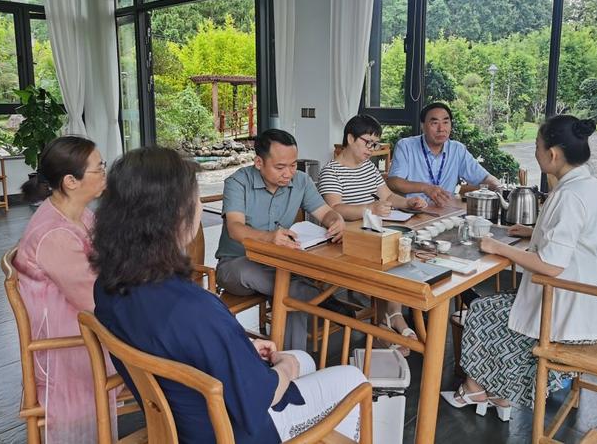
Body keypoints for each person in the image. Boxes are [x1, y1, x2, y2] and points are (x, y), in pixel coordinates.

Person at [91, 146, 367, 444]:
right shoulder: (195, 308)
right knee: (353, 380)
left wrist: (244, 345)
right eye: (195, 198)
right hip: (232, 431)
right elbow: (261, 396)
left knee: (304, 359)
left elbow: (188, 344)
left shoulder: (108, 285)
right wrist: (285, 368)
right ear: (176, 218)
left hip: (180, 418)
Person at [441, 115, 597, 421]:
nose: (536, 154)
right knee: (498, 307)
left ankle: (480, 389)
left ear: (553, 154)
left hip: (573, 311)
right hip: (590, 299)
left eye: (538, 148)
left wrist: (497, 247)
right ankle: (496, 393)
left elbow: (552, 265)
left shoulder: (570, 196)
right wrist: (534, 233)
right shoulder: (588, 185)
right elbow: (579, 238)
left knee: (483, 312)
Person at [13, 136, 113, 443]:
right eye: (99, 168)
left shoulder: (79, 214)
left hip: (83, 323)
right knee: (167, 349)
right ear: (71, 181)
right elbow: (95, 300)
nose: (104, 173)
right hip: (71, 342)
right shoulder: (55, 234)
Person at [215, 129, 346, 350]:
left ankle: (292, 362)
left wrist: (337, 220)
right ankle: (318, 297)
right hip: (235, 266)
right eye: (280, 167)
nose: (289, 173)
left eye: (293, 165)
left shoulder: (301, 181)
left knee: (288, 290)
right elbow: (235, 228)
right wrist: (269, 238)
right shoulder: (238, 182)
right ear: (258, 162)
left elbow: (325, 212)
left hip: (280, 268)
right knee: (280, 283)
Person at [318, 114, 426, 355]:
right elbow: (335, 210)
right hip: (345, 240)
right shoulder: (331, 172)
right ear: (350, 138)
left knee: (403, 251)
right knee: (394, 256)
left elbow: (387, 196)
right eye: (368, 143)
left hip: (372, 233)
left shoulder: (368, 168)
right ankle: (393, 321)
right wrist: (370, 208)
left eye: (375, 144)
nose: (372, 149)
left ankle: (390, 320)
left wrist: (408, 204)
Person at [386, 101, 501, 205]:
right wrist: (426, 188)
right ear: (423, 126)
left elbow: (484, 178)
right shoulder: (406, 146)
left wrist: (499, 188)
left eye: (445, 122)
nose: (441, 128)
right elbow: (394, 182)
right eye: (434, 123)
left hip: (444, 212)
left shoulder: (457, 149)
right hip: (412, 211)